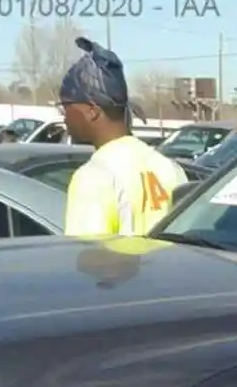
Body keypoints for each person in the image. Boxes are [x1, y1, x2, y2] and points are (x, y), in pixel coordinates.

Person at [57, 37, 186, 237]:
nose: (64, 117)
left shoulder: (93, 177)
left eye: (66, 107)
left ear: (92, 110)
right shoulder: (171, 169)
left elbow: (88, 261)